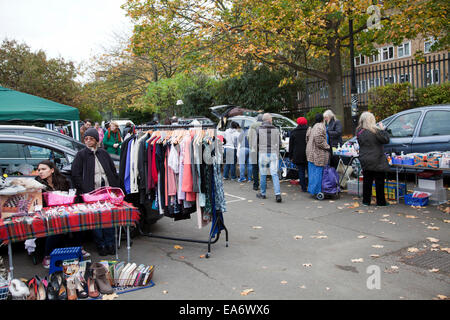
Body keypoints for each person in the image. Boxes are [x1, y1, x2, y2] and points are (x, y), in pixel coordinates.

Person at [71, 128, 120, 256]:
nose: (88, 141)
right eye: (86, 139)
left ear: (96, 140)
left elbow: (112, 170)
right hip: (91, 192)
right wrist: (84, 189)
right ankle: (101, 244)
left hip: (107, 190)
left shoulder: (103, 153)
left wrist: (115, 185)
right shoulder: (81, 155)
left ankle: (110, 243)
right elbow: (75, 174)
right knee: (96, 219)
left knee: (108, 217)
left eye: (91, 139)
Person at [34, 160, 71, 268]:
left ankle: (75, 248)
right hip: (46, 214)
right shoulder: (37, 184)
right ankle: (47, 255)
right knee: (56, 226)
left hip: (63, 210)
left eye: (43, 169)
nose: (40, 172)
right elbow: (37, 204)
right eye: (39, 170)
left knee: (78, 222)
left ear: (52, 170)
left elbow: (69, 195)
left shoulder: (62, 180)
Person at [356, 111, 390, 206]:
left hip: (365, 158)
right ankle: (381, 201)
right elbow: (386, 140)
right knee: (379, 181)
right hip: (377, 159)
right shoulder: (376, 131)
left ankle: (366, 201)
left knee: (367, 180)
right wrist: (383, 129)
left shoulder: (359, 131)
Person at [256, 113, 282, 203]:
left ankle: (263, 194)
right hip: (273, 153)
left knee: (263, 174)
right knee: (274, 174)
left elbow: (256, 143)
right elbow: (280, 143)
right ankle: (277, 194)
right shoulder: (275, 129)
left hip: (263, 153)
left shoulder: (258, 129)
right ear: (270, 120)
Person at [306, 113, 330, 196]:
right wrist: (327, 147)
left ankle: (312, 190)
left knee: (312, 173)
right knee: (318, 173)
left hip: (311, 153)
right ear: (322, 119)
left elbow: (307, 138)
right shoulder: (320, 126)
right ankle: (317, 191)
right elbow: (319, 140)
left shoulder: (312, 127)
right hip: (318, 154)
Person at [288, 117, 309, 192]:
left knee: (301, 171)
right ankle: (310, 186)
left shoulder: (294, 132)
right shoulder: (309, 131)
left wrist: (290, 156)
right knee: (309, 170)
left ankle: (303, 187)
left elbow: (291, 145)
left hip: (298, 154)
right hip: (308, 153)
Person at [248, 114, 263, 190]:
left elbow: (248, 137)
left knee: (255, 167)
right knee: (263, 167)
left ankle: (255, 185)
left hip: (253, 149)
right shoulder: (264, 125)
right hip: (262, 150)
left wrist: (251, 146)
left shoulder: (252, 126)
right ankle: (263, 184)